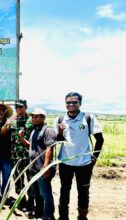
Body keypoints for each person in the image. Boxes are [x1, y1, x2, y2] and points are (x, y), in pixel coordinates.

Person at [54, 92, 104, 220]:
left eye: (74, 102)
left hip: (84, 163)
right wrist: (60, 131)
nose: (71, 104)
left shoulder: (88, 118)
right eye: (68, 102)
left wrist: (95, 156)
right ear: (65, 104)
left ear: (80, 103)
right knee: (64, 190)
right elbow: (57, 140)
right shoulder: (60, 119)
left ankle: (82, 217)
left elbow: (100, 139)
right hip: (65, 162)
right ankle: (63, 217)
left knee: (83, 192)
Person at [19, 108, 57, 220]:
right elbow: (30, 146)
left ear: (43, 118)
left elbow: (50, 148)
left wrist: (45, 167)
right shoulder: (35, 131)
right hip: (33, 168)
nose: (34, 118)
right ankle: (39, 213)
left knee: (45, 193)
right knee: (37, 194)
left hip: (42, 168)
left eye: (37, 116)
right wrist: (22, 138)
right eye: (33, 116)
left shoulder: (48, 130)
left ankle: (49, 216)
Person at [6, 99, 35, 214]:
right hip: (15, 156)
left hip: (28, 156)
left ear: (26, 107)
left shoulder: (31, 121)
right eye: (16, 107)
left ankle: (31, 203)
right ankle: (22, 201)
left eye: (21, 107)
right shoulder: (12, 122)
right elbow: (7, 137)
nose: (18, 109)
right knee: (18, 180)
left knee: (30, 180)